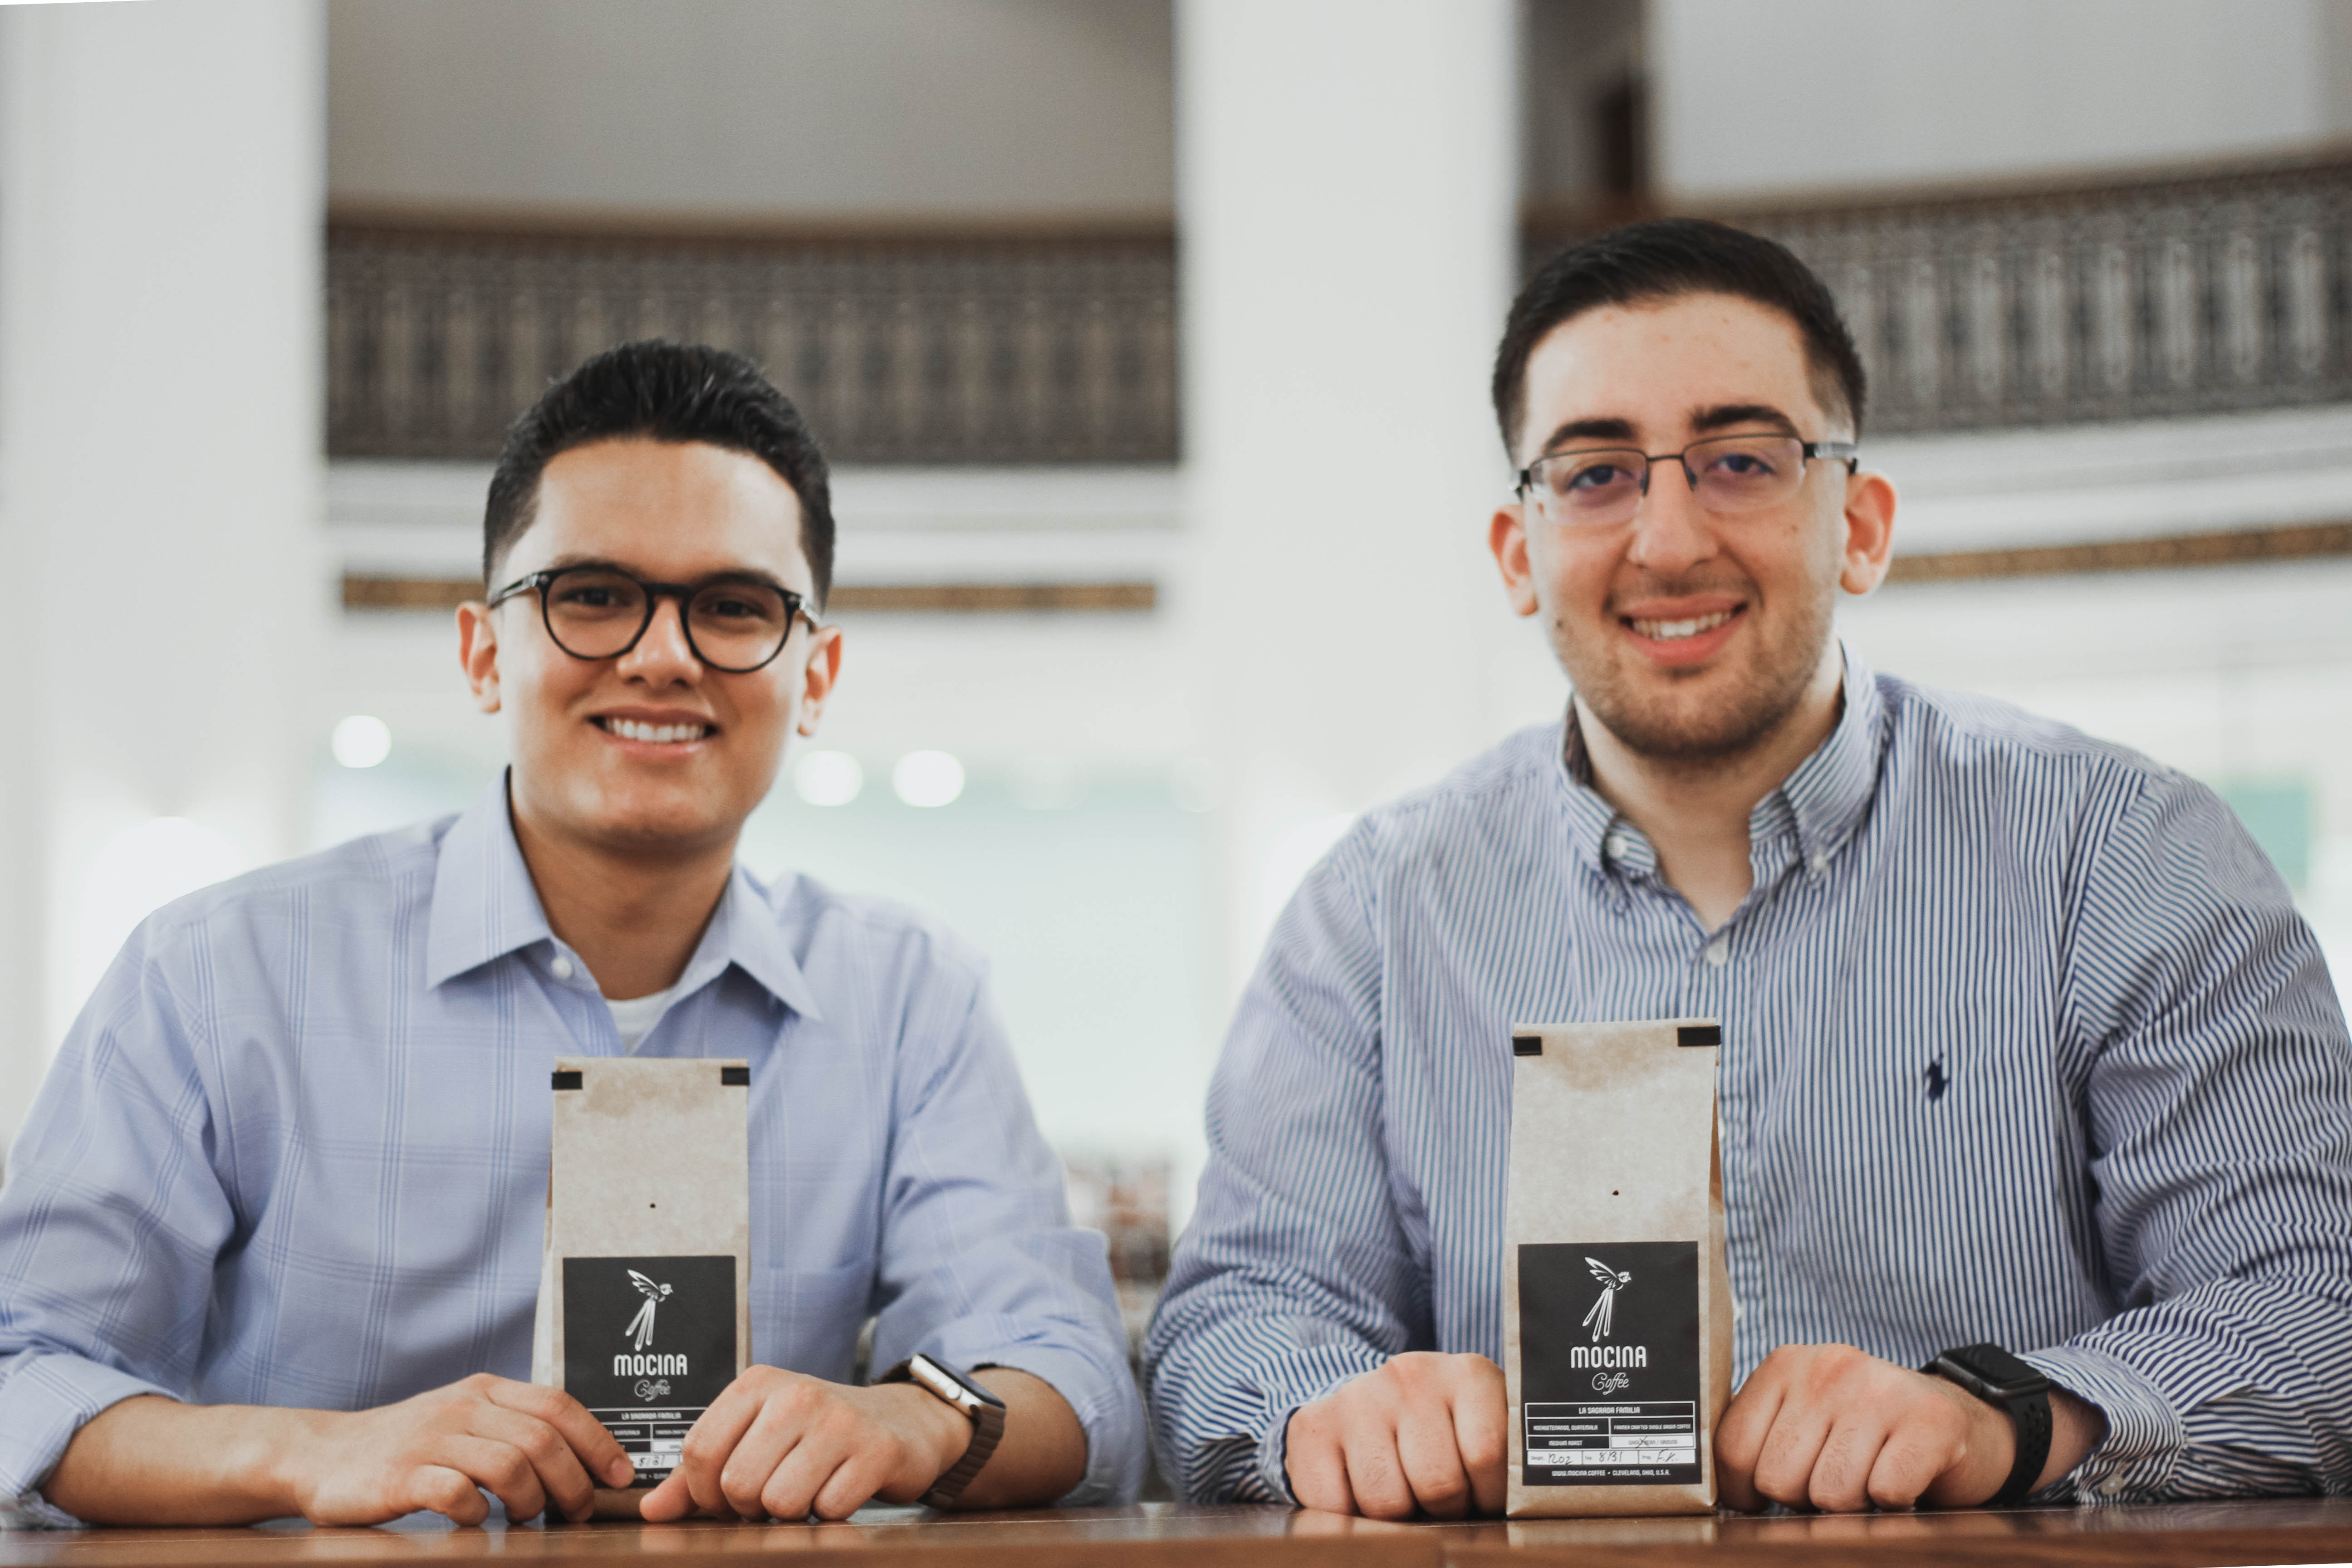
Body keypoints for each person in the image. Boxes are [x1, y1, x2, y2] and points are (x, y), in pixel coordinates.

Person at [1145, 220, 2352, 1517]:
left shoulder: (2121, 855)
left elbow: (2313, 1307)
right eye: (1597, 473)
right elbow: (1232, 1323)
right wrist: (1333, 1412)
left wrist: (2008, 1416)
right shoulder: (1371, 915)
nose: (1668, 542)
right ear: (1519, 553)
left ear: (1862, 526)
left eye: (1740, 460)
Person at [0, 341, 1142, 1528]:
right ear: (484, 651)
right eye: (592, 595)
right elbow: (28, 1368)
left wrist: (915, 1416)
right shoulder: (217, 975)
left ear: (817, 676)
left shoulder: (911, 997)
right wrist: (312, 1454)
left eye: (734, 607)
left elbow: (1070, 1378)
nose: (662, 656)